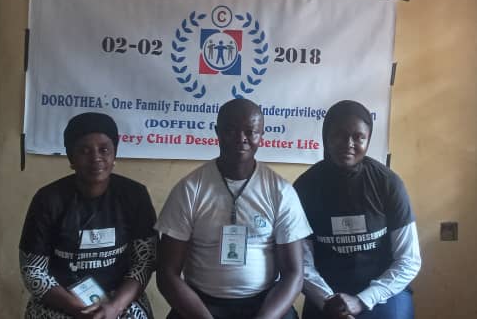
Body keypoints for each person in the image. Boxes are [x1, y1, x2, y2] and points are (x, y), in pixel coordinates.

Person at [156, 98, 312, 319]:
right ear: (217, 132)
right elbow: (166, 274)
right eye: (230, 130)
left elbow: (294, 274)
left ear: (261, 135)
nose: (241, 139)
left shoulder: (280, 191)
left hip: (265, 305)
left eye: (250, 132)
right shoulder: (190, 189)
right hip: (200, 306)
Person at [19, 112, 158, 319]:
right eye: (84, 150)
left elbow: (144, 262)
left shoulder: (134, 195)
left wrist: (115, 307)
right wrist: (77, 309)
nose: (96, 158)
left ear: (114, 154)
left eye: (104, 149)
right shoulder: (48, 199)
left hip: (119, 299)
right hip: (61, 298)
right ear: (71, 158)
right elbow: (33, 270)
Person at [293, 101, 421, 319]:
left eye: (358, 137)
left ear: (368, 139)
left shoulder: (388, 183)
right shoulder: (305, 188)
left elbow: (409, 260)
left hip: (384, 292)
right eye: (339, 135)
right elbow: (301, 263)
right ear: (326, 136)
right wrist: (329, 301)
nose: (348, 144)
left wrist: (362, 300)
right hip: (326, 293)